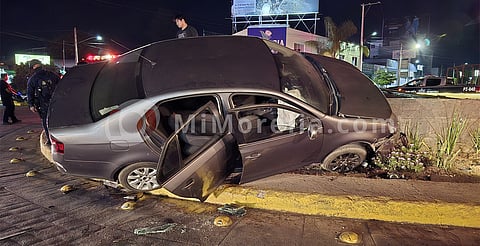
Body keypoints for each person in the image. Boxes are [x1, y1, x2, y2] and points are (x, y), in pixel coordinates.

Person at [27, 59, 60, 145]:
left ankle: (50, 140)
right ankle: (59, 139)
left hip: (42, 103)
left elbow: (30, 93)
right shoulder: (52, 75)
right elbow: (61, 85)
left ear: (33, 67)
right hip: (56, 102)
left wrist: (31, 104)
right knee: (57, 120)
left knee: (46, 121)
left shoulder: (33, 79)